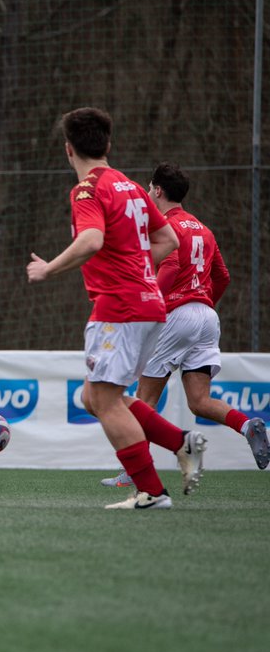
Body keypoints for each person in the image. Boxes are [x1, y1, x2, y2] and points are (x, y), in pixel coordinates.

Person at [27, 108, 207, 510]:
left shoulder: (87, 190)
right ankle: (182, 443)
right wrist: (133, 261)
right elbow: (168, 241)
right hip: (148, 305)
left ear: (68, 149)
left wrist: (48, 269)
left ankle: (151, 491)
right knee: (95, 398)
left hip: (120, 306)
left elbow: (91, 240)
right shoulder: (130, 185)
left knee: (104, 401)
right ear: (107, 145)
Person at [100, 163, 268, 487]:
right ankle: (248, 426)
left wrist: (157, 307)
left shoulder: (162, 228)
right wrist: (202, 301)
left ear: (158, 191)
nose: (149, 194)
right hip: (206, 318)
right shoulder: (204, 229)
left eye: (150, 189)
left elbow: (165, 270)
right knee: (200, 402)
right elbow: (223, 277)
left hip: (175, 315)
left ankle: (134, 475)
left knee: (143, 400)